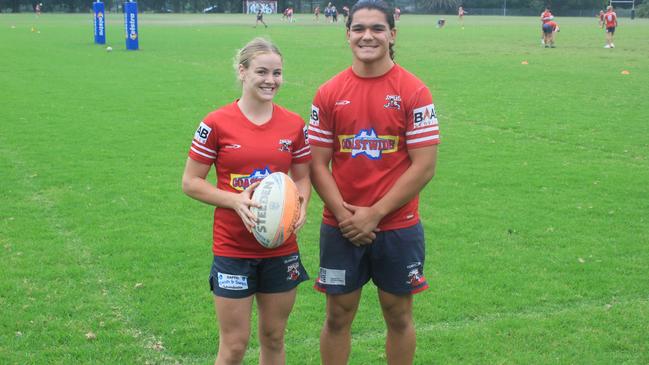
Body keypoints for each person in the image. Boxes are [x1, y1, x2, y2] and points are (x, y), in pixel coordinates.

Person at [308, 0, 439, 363]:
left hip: (397, 226)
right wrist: (347, 217)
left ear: (392, 34)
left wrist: (375, 213)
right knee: (337, 316)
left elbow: (424, 166)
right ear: (347, 35)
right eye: (359, 28)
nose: (368, 36)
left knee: (398, 316)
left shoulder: (414, 91)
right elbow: (317, 164)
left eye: (377, 28)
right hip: (341, 226)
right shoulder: (328, 92)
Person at [182, 37, 312, 365]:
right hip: (233, 250)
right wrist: (235, 201)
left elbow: (302, 177)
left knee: (274, 338)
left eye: (277, 73)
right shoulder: (215, 123)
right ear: (242, 72)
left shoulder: (294, 125)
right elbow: (191, 182)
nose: (271, 80)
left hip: (281, 249)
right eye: (262, 71)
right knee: (235, 345)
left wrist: (302, 203)